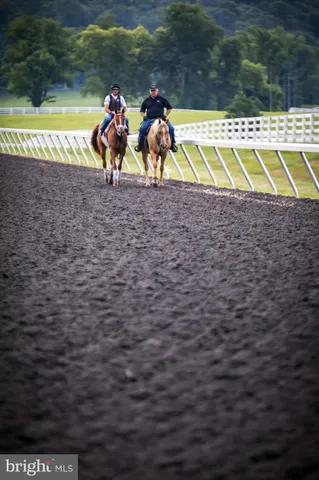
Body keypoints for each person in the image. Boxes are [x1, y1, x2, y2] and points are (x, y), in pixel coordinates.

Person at [134, 84, 178, 152]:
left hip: (161, 119)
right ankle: (139, 145)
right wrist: (144, 117)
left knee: (171, 128)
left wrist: (165, 115)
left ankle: (172, 144)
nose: (153, 92)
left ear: (157, 91)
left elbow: (169, 108)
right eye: (152, 91)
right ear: (150, 91)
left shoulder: (162, 99)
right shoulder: (146, 100)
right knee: (142, 129)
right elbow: (142, 111)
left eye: (154, 91)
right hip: (150, 119)